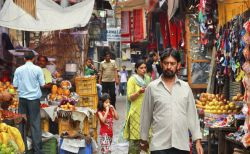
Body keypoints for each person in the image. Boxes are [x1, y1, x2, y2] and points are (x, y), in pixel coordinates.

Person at [140, 49, 203, 154]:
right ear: (161, 64)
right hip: (159, 145)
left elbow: (192, 115)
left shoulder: (185, 87)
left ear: (178, 65)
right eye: (166, 63)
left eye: (172, 63)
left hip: (181, 144)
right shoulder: (152, 87)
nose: (169, 67)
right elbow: (146, 115)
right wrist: (143, 140)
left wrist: (197, 140)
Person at [13, 50, 45, 154]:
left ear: (24, 59)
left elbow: (15, 85)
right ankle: (37, 151)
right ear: (34, 58)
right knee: (35, 124)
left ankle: (23, 150)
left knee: (21, 124)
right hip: (34, 101)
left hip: (22, 101)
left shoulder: (18, 70)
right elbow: (42, 84)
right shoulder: (38, 69)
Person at [123, 60, 151, 153]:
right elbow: (129, 97)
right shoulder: (132, 80)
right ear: (136, 69)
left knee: (148, 136)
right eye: (141, 68)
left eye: (145, 68)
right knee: (135, 138)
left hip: (147, 111)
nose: (143, 70)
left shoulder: (148, 79)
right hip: (136, 113)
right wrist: (139, 92)